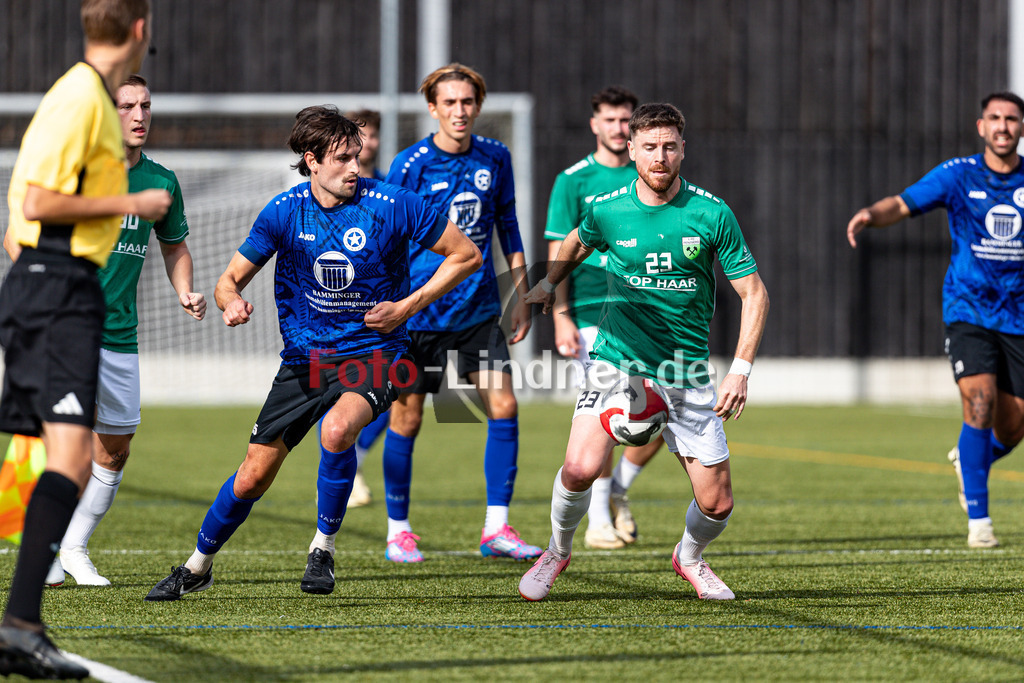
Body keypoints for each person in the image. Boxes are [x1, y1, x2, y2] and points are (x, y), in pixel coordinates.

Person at [144, 105, 481, 601]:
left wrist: (407, 307)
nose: (355, 168)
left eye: (358, 156)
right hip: (306, 360)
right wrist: (230, 300)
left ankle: (322, 548)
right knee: (252, 475)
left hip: (379, 351)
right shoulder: (284, 211)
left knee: (339, 428)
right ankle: (197, 566)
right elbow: (227, 279)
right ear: (312, 160)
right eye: (343, 158)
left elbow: (466, 254)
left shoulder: (394, 203)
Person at [518, 103, 769, 602]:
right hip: (618, 363)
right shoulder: (607, 208)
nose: (660, 157)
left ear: (683, 150)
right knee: (580, 469)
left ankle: (690, 558)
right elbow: (576, 239)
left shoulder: (711, 213)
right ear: (631, 149)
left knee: (717, 503)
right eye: (650, 147)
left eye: (670, 147)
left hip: (685, 370)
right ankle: (557, 550)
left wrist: (740, 371)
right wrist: (549, 282)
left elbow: (755, 293)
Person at [0, 0, 166, 678]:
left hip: (62, 287)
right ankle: (20, 623)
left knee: (57, 455)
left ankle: (21, 625)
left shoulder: (87, 98)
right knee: (66, 460)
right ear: (139, 29)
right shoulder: (80, 98)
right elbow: (38, 201)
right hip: (58, 288)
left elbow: (21, 211)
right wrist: (131, 203)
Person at [35, 74, 206, 588]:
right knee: (64, 445)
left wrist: (184, 290)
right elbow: (23, 234)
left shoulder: (161, 181)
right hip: (66, 329)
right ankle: (45, 550)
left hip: (120, 335)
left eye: (145, 105)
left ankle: (74, 548)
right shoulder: (81, 171)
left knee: (115, 447)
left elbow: (174, 246)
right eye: (127, 106)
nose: (138, 115)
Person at [377, 63, 541, 563]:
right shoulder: (409, 164)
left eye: (467, 102)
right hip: (419, 314)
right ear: (433, 108)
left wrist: (520, 294)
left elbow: (508, 227)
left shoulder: (497, 157)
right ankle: (397, 530)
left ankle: (496, 528)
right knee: (406, 418)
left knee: (504, 406)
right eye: (449, 102)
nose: (459, 111)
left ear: (478, 106)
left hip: (477, 311)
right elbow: (386, 233)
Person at [846, 91, 1024, 550]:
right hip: (969, 309)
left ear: (1020, 128)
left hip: (1019, 316)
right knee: (978, 403)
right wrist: (870, 215)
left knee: (1014, 427)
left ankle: (971, 462)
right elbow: (902, 203)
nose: (1003, 126)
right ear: (980, 126)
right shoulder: (958, 174)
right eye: (995, 118)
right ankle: (980, 524)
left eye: (1012, 119)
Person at [544, 85, 662, 550]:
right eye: (609, 120)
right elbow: (559, 251)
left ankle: (616, 490)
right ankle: (596, 522)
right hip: (595, 314)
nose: (617, 128)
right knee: (612, 410)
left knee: (661, 417)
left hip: (653, 317)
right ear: (595, 124)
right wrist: (560, 316)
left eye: (624, 120)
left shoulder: (652, 177)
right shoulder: (573, 180)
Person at [343, 108, 388, 507]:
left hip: (385, 313)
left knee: (392, 393)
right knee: (338, 390)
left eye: (372, 136)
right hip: (340, 312)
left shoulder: (390, 188)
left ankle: (352, 461)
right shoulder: (330, 190)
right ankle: (343, 470)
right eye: (359, 136)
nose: (366, 143)